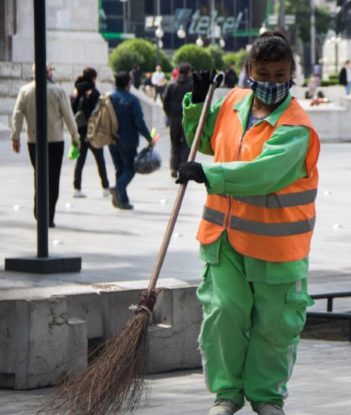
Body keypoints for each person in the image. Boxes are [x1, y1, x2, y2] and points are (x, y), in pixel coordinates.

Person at [177, 31, 319, 415]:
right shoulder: (233, 103)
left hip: (276, 249)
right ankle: (226, 394)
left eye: (280, 74)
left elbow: (263, 173)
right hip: (223, 238)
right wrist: (197, 105)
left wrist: (210, 176)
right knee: (222, 315)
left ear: (292, 74)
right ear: (248, 71)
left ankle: (267, 397)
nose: (271, 81)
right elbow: (203, 141)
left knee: (273, 326)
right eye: (264, 72)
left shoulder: (296, 127)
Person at [11, 64, 80, 228]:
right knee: (53, 178)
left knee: (39, 174)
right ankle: (48, 216)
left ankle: (38, 209)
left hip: (33, 140)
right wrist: (75, 136)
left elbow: (17, 115)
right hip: (55, 140)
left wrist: (15, 137)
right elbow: (69, 116)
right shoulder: (58, 91)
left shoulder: (25, 91)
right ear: (48, 72)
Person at [108, 71, 153, 210]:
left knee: (119, 169)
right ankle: (118, 188)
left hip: (112, 139)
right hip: (128, 140)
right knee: (130, 169)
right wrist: (149, 138)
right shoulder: (132, 100)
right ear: (128, 83)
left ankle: (121, 200)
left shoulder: (109, 97)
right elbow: (139, 122)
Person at [71, 67, 110, 198]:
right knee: (100, 160)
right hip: (92, 132)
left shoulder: (76, 90)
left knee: (80, 160)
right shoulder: (92, 91)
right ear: (93, 77)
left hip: (80, 130)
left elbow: (72, 108)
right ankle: (105, 187)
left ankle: (77, 188)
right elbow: (99, 111)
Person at [163, 62, 194, 178]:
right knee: (186, 144)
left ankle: (173, 167)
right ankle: (182, 168)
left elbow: (165, 101)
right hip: (187, 118)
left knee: (174, 143)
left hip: (174, 118)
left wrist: (170, 114)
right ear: (189, 72)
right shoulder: (192, 85)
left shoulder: (172, 85)